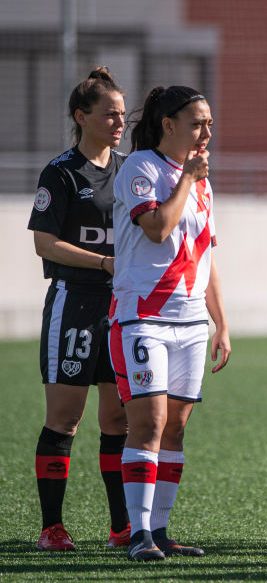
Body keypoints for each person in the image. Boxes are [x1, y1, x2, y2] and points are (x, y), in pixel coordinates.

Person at [110, 85, 230, 561]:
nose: (206, 132)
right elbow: (157, 229)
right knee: (149, 422)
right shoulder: (141, 167)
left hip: (190, 321)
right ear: (168, 124)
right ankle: (137, 534)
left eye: (210, 124)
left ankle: (160, 531)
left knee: (176, 427)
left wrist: (221, 321)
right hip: (143, 317)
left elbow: (206, 255)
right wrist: (186, 181)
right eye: (198, 123)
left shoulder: (203, 180)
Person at [28, 67, 130, 551]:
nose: (119, 122)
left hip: (123, 309)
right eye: (109, 114)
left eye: (123, 115)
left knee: (118, 423)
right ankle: (52, 527)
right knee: (64, 420)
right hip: (74, 303)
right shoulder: (61, 172)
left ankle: (121, 528)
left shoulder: (132, 169)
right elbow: (45, 244)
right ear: (81, 116)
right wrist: (105, 261)